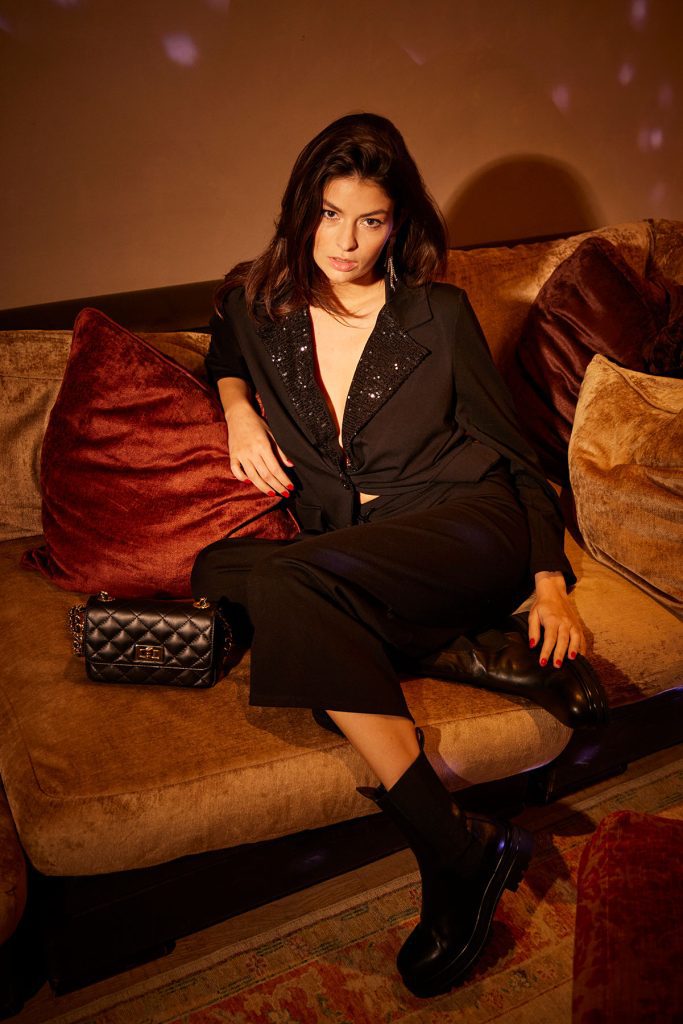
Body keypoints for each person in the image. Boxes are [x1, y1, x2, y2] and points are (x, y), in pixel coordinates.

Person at [192, 112, 592, 998]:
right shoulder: (258, 306)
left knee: (287, 584)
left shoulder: (436, 314)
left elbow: (514, 454)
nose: (345, 242)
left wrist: (548, 580)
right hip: (359, 544)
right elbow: (222, 349)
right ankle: (465, 663)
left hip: (463, 517)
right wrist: (238, 409)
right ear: (301, 212)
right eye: (329, 214)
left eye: (369, 220)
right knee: (218, 570)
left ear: (396, 224)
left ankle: (449, 851)